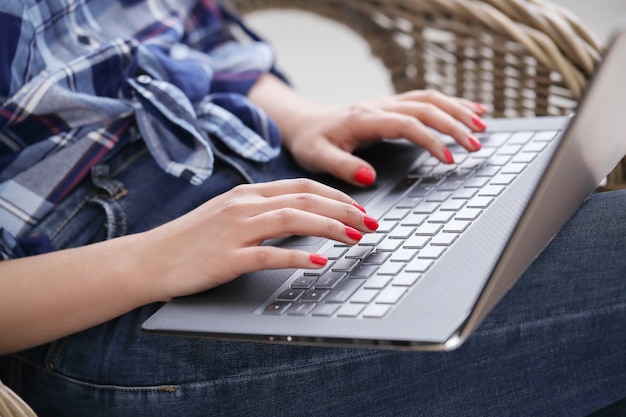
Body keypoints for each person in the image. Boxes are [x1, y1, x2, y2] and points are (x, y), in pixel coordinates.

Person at [0, 0, 624, 416]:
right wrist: (153, 260)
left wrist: (306, 120)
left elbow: (196, 36)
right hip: (98, 300)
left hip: (269, 172)